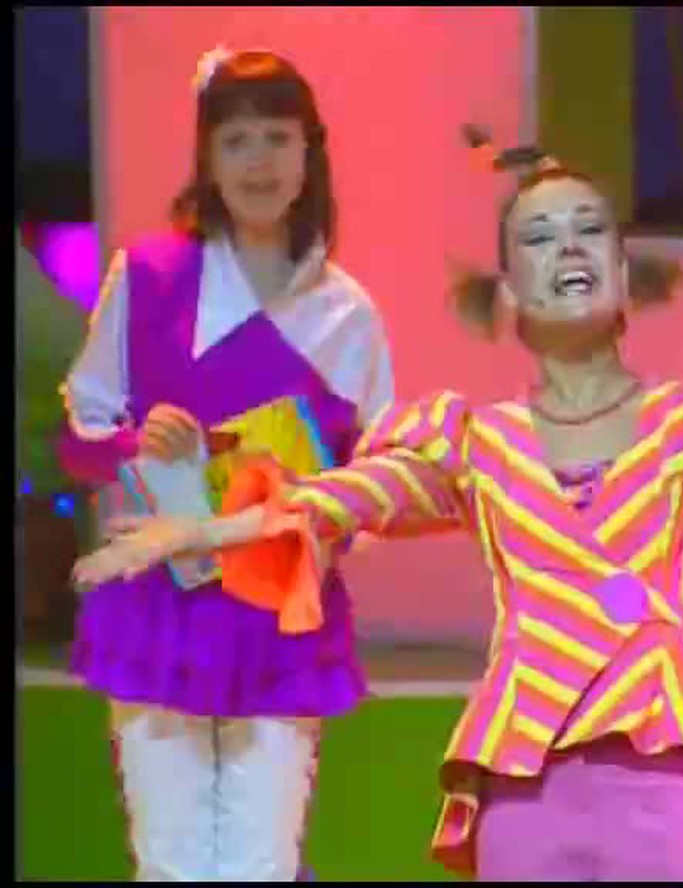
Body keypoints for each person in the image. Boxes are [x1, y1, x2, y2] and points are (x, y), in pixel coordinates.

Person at [72, 131, 683, 882]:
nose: (569, 248)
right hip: (526, 785)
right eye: (539, 239)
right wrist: (199, 530)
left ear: (625, 276)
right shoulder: (473, 441)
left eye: (590, 231)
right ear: (510, 295)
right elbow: (332, 504)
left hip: (671, 773)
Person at [59, 47, 394, 881]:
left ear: (310, 153)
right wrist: (136, 445)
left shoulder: (347, 315)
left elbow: (376, 486)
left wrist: (305, 524)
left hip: (279, 626)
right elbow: (80, 441)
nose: (258, 161)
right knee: (170, 864)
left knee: (260, 866)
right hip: (158, 613)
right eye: (236, 140)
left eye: (277, 138)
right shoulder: (148, 276)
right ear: (206, 157)